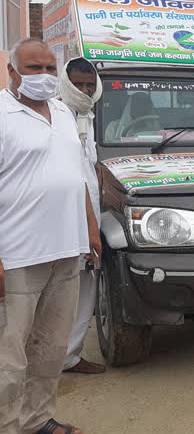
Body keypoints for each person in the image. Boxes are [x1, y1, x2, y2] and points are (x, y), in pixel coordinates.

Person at [0, 39, 101, 434]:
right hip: (18, 256)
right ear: (12, 71)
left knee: (50, 348)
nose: (42, 76)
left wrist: (90, 228)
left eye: (47, 68)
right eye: (32, 69)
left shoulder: (62, 112)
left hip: (66, 250)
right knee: (11, 354)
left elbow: (77, 176)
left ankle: (37, 420)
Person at [56, 58, 106, 375]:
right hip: (65, 220)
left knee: (85, 288)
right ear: (65, 82)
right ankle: (48, 360)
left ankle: (70, 357)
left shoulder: (90, 116)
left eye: (89, 84)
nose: (85, 90)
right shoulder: (56, 116)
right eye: (78, 84)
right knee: (59, 293)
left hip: (91, 218)